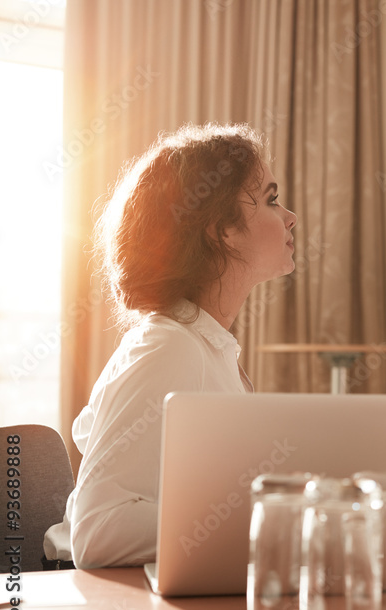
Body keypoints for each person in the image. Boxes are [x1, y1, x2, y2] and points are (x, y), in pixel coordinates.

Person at [43, 123, 297, 568]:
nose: (290, 216)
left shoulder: (208, 347)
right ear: (221, 230)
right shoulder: (169, 349)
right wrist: (260, 525)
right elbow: (97, 532)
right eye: (271, 200)